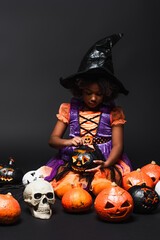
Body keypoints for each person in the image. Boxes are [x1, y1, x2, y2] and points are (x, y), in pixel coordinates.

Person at [23, 34, 132, 197]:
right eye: (88, 93)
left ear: (107, 93)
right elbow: (53, 140)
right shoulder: (69, 109)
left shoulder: (114, 113)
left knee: (105, 187)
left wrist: (107, 163)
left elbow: (118, 145)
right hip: (74, 157)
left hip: (104, 158)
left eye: (99, 94)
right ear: (80, 89)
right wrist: (69, 141)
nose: (93, 98)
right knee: (66, 187)